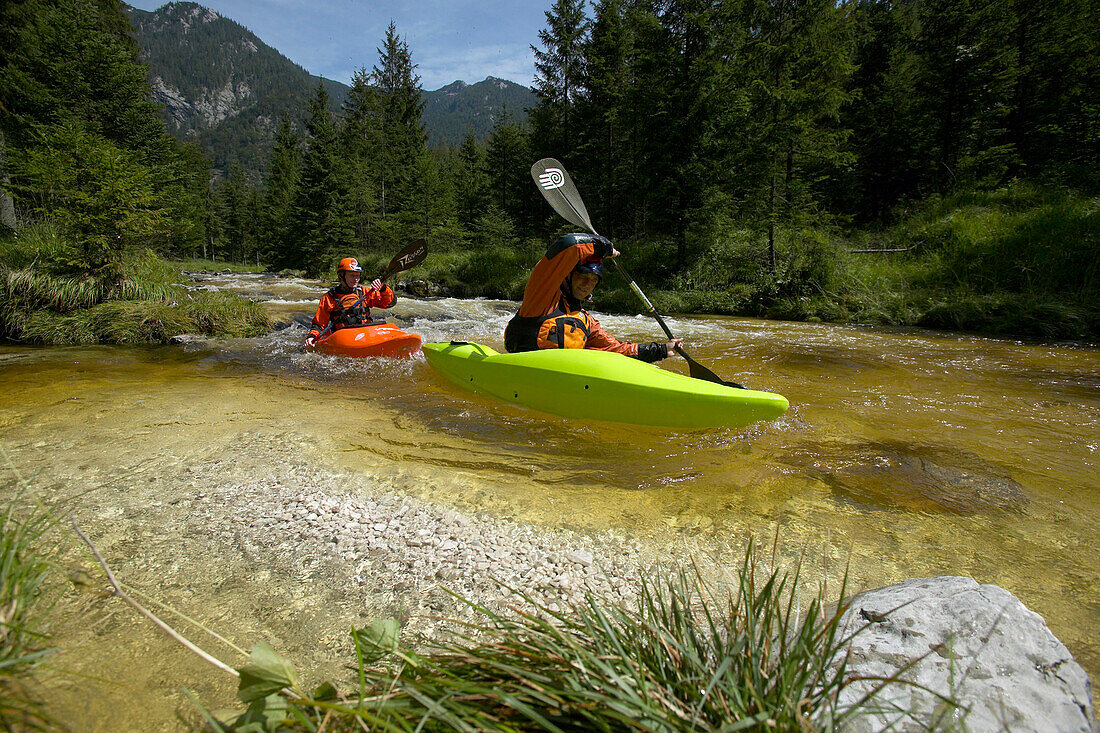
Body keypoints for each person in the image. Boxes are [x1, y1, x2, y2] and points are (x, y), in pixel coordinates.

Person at [504, 233, 682, 361]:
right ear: (568, 277)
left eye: (593, 280)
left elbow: (614, 349)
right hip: (525, 372)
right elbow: (567, 244)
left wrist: (660, 350)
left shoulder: (587, 321)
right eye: (582, 276)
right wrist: (603, 247)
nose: (586, 284)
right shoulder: (542, 299)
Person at [303, 257, 396, 349]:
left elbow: (389, 303)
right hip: (343, 339)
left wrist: (383, 288)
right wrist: (311, 337)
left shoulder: (365, 292)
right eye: (352, 275)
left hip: (365, 334)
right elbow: (319, 324)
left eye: (357, 275)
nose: (356, 279)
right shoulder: (329, 298)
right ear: (341, 276)